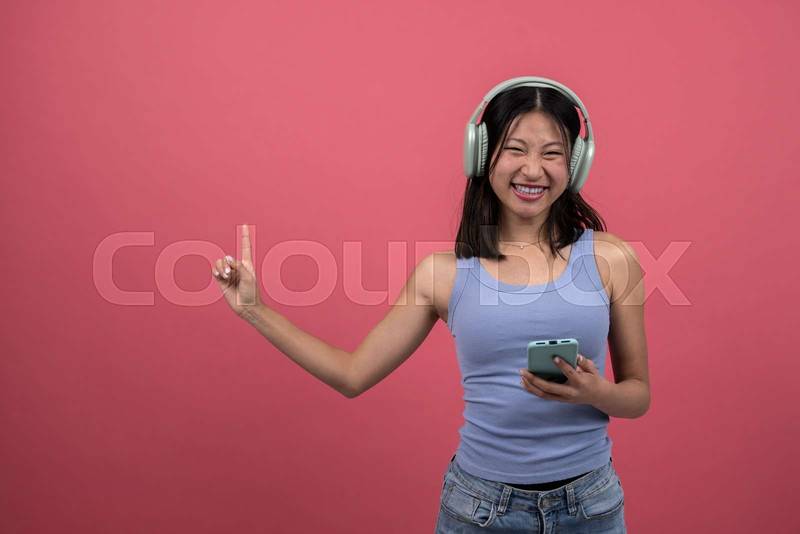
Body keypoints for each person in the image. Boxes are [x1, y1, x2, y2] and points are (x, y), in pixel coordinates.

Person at [211, 77, 649, 533]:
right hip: (480, 509)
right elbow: (352, 375)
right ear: (481, 156)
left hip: (590, 507)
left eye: (552, 153)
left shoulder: (611, 259)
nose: (533, 170)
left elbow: (638, 395)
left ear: (576, 163)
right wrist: (255, 310)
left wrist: (594, 393)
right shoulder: (443, 275)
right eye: (515, 149)